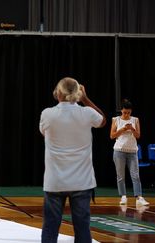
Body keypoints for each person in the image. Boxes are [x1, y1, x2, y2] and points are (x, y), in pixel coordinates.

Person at [39, 77, 106, 243]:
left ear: (58, 93)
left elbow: (44, 133)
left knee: (50, 227)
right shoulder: (87, 113)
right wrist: (85, 99)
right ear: (78, 93)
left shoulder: (47, 114)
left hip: (55, 181)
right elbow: (103, 120)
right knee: (82, 228)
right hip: (81, 182)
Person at [110, 99, 149, 206]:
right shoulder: (116, 120)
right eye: (124, 112)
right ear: (121, 110)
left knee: (135, 175)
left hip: (132, 151)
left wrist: (132, 129)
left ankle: (139, 197)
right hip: (119, 151)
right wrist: (122, 129)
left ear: (131, 111)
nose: (126, 114)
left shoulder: (135, 120)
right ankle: (123, 196)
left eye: (128, 112)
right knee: (120, 175)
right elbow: (112, 136)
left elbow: (138, 136)